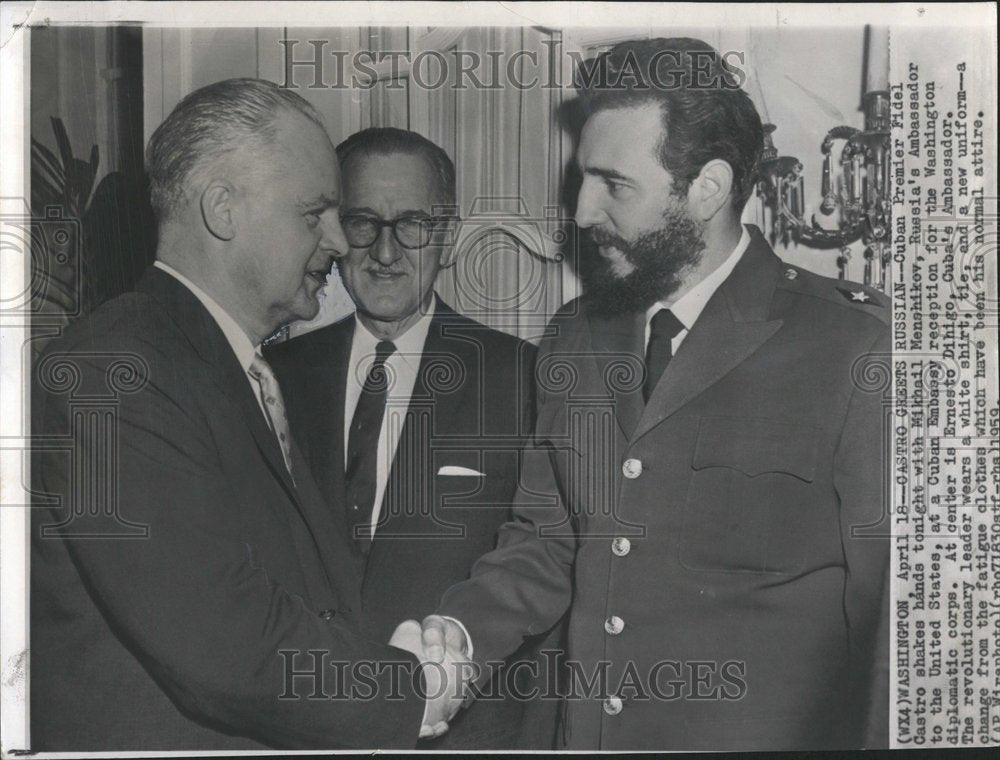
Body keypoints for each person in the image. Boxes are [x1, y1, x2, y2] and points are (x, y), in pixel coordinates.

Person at [419, 38, 891, 751]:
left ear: (706, 188)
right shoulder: (576, 337)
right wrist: (456, 638)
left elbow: (891, 616)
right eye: (583, 178)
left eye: (614, 183)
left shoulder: (856, 346)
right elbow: (548, 539)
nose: (580, 212)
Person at [30, 78, 466, 751]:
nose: (341, 242)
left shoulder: (234, 364)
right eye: (315, 212)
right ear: (223, 209)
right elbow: (222, 640)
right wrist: (413, 690)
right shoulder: (113, 369)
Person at [267, 127, 555, 749]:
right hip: (304, 725)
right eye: (364, 222)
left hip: (458, 735)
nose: (386, 252)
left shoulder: (522, 379)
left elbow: (542, 565)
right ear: (336, 233)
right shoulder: (276, 378)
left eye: (414, 225)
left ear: (447, 237)